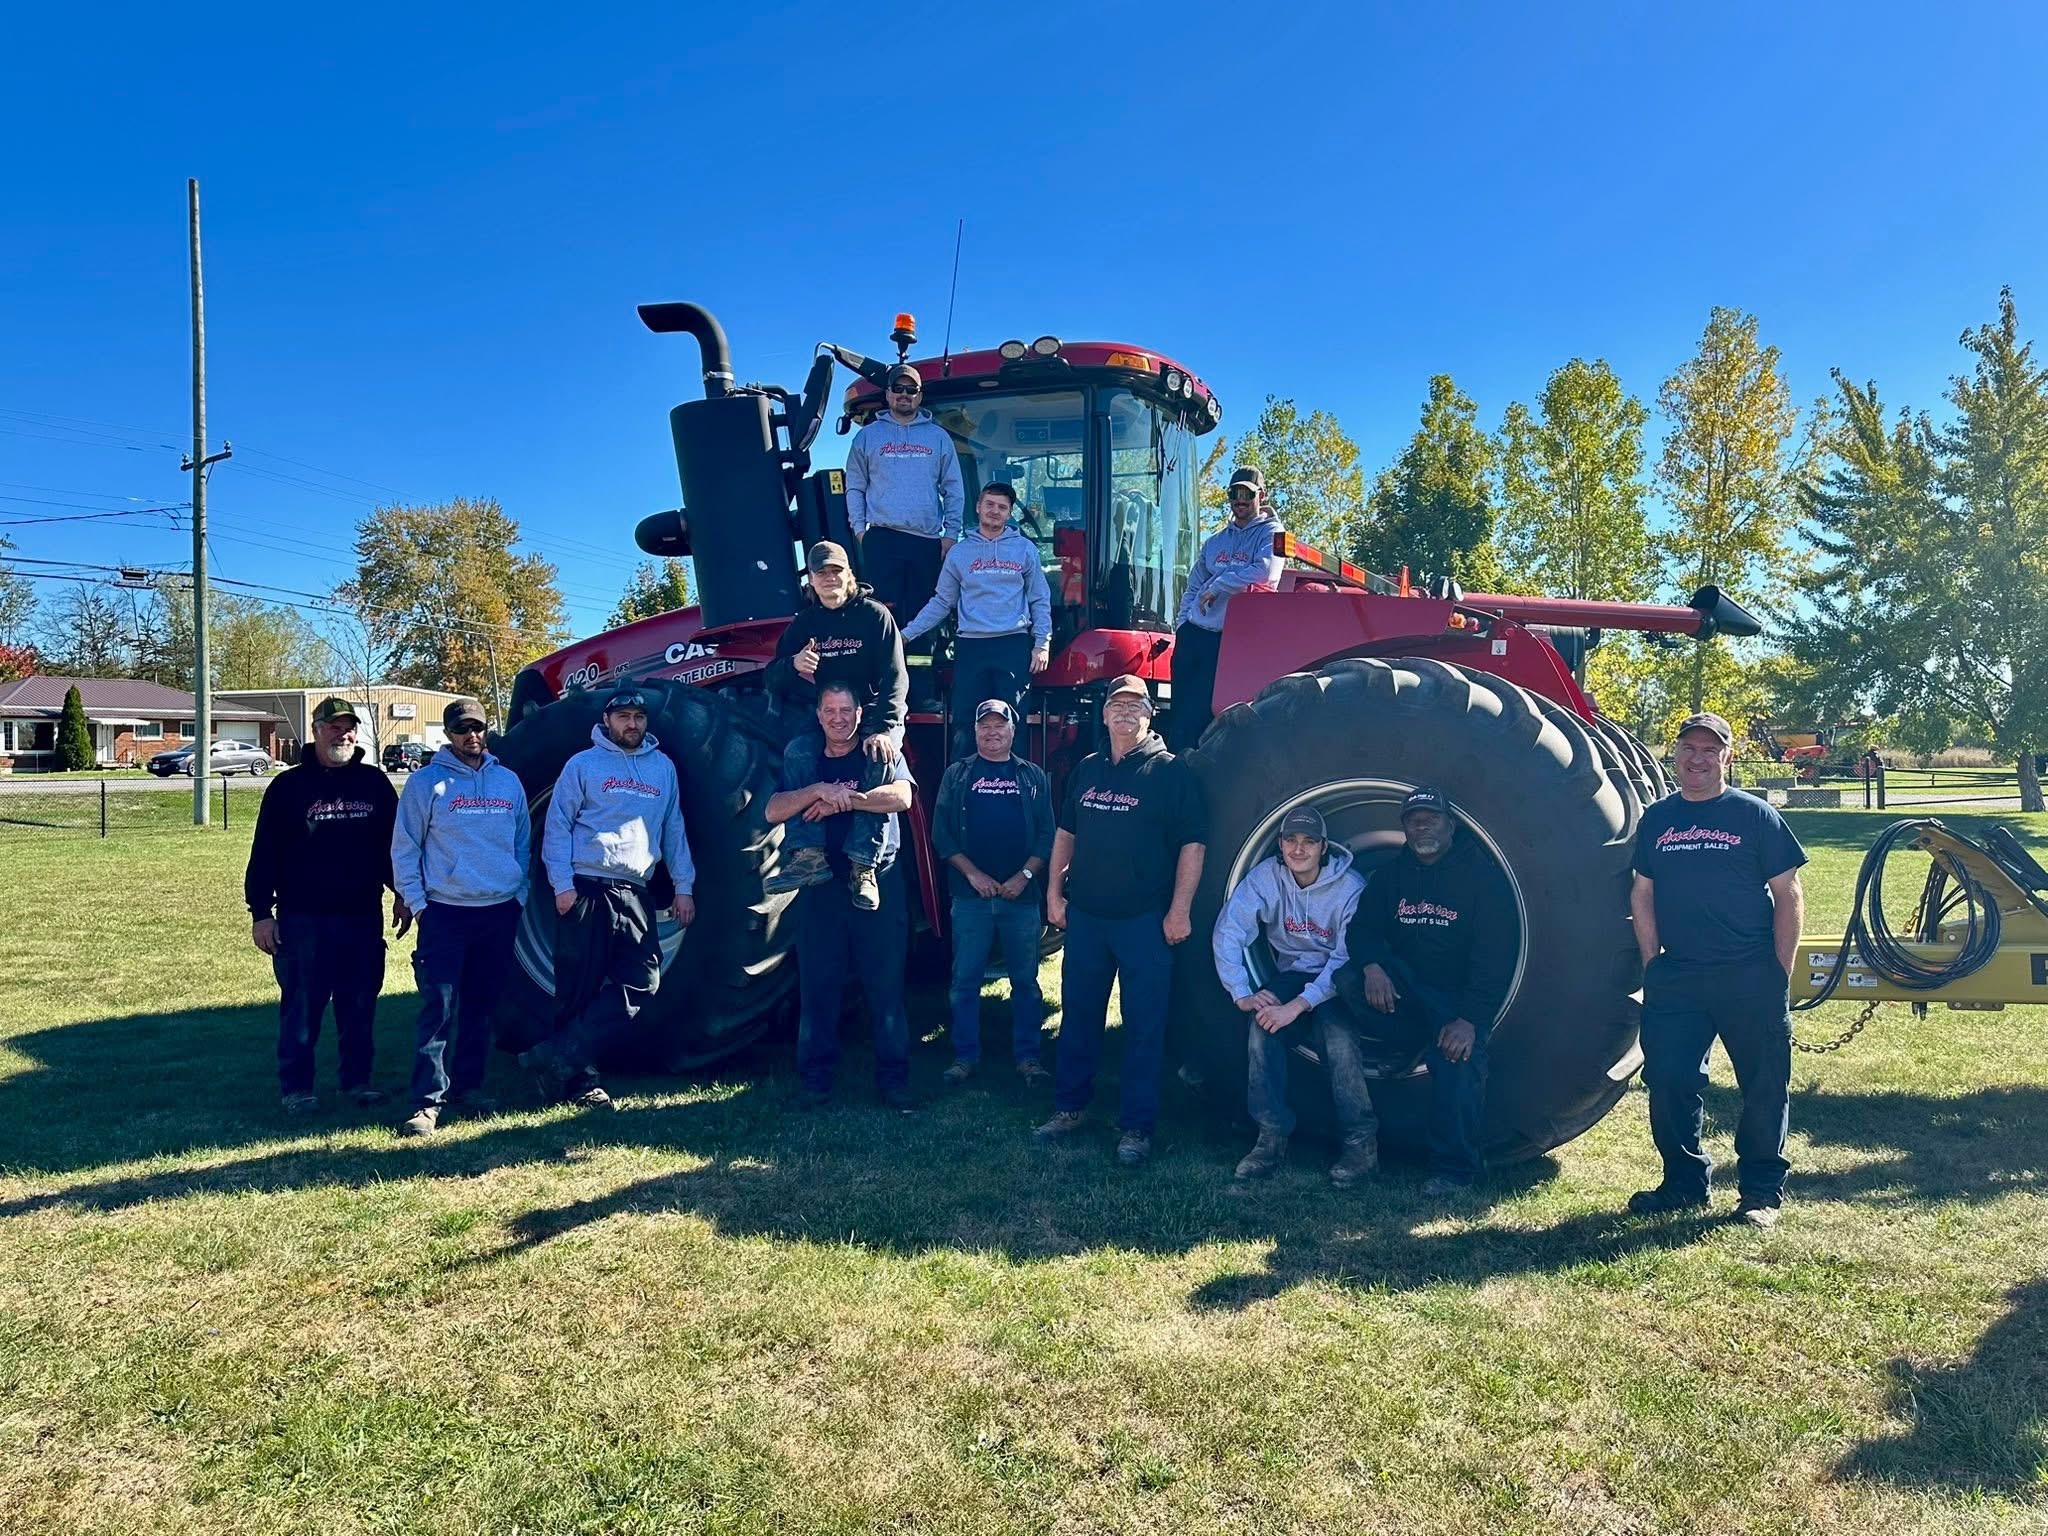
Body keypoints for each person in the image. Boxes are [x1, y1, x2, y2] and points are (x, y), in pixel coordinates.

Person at [1628, 711, 1808, 1230]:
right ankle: (1683, 1184)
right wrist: (1651, 964)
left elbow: (1788, 894)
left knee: (1764, 1083)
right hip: (1678, 976)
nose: (1698, 759)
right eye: (1689, 748)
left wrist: (1778, 970)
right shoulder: (1658, 819)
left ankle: (1759, 1194)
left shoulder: (1754, 815)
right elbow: (1642, 894)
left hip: (1749, 972)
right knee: (1669, 1080)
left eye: (1710, 750)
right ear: (1676, 753)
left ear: (1727, 756)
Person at [1037, 675, 1206, 1166]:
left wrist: (1179, 911)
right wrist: (1053, 891)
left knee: (1143, 1028)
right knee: (1079, 1017)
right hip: (1088, 917)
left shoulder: (1172, 773)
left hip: (1145, 923)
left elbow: (1193, 846)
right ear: (1105, 714)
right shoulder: (1087, 770)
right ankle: (1071, 1108)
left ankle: (1136, 1127)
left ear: (1151, 715)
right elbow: (1066, 833)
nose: (1126, 712)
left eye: (1136, 706)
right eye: (1118, 704)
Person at [1337, 787, 1515, 1197]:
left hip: (1459, 998)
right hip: (1408, 990)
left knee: (1458, 1062)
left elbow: (1495, 957)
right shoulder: (1392, 876)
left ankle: (1455, 1170)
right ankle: (1408, 1043)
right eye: (1413, 820)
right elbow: (1362, 930)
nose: (1422, 826)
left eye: (1431, 818)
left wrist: (1470, 1020)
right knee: (1346, 980)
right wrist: (1371, 966)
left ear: (1450, 824)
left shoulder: (1481, 879)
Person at [523, 687, 694, 1111]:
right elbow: (558, 826)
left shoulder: (662, 769)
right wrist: (562, 886)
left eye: (638, 716)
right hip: (587, 888)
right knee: (577, 988)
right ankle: (579, 1083)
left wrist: (683, 886)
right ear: (606, 721)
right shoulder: (583, 765)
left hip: (634, 890)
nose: (631, 724)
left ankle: (554, 1055)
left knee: (643, 980)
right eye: (623, 717)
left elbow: (673, 829)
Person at [244, 695, 407, 1114]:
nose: (343, 733)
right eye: (334, 726)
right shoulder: (288, 787)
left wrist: (403, 893)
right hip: (304, 919)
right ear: (315, 730)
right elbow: (265, 853)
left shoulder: (374, 784)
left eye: (349, 726)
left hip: (360, 917)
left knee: (359, 1007)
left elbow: (393, 849)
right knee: (302, 1008)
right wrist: (261, 913)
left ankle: (357, 1082)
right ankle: (297, 1088)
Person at [765, 682, 918, 1111]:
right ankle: (815, 1081)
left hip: (875, 882)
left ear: (858, 713)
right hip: (820, 885)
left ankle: (894, 1081)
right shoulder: (804, 756)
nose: (838, 718)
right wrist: (817, 791)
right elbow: (773, 809)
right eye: (829, 710)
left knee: (885, 985)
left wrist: (844, 801)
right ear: (818, 714)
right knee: (818, 986)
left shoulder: (879, 751)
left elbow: (903, 797)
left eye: (845, 710)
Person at [388, 697, 530, 1138]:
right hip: (446, 913)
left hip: (499, 911)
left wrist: (518, 891)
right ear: (447, 734)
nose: (472, 736)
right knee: (439, 1009)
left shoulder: (508, 782)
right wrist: (418, 902)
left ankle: (470, 1087)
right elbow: (405, 848)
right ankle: (427, 1102)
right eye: (462, 729)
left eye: (478, 728)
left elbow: (523, 840)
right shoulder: (426, 784)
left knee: (482, 1007)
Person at [1211, 806, 1373, 1184]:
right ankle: (1271, 1136)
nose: (1298, 850)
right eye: (1290, 841)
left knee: (1339, 1038)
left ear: (1323, 847)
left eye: (1308, 842)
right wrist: (1241, 992)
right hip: (1292, 974)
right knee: (1262, 1024)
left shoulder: (1350, 888)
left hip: (1337, 978)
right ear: (1280, 845)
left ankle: (1360, 1144)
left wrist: (1297, 1007)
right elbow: (1229, 930)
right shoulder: (1266, 878)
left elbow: (1345, 960)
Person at [762, 540, 908, 911]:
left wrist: (882, 728)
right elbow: (772, 678)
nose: (829, 578)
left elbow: (896, 678)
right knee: (797, 751)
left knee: (879, 755)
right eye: (821, 572)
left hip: (871, 715)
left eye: (836, 571)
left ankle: (864, 865)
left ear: (849, 574)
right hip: (828, 717)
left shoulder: (875, 616)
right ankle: (807, 854)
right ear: (811, 580)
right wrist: (793, 664)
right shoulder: (805, 624)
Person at [931, 699, 1055, 1086]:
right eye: (985, 725)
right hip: (972, 898)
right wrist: (973, 876)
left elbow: (1049, 835)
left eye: (1000, 725)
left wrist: (1024, 876)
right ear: (976, 731)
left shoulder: (1033, 776)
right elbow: (941, 835)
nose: (992, 731)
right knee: (964, 981)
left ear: (1013, 731)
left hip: (1021, 898)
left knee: (1026, 982)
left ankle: (1028, 1057)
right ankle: (965, 1057)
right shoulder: (957, 774)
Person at [899, 482, 1053, 758]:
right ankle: (963, 790)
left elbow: (1039, 599)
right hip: (971, 646)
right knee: (966, 723)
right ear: (979, 507)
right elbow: (942, 602)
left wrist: (1042, 643)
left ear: (1008, 514)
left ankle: (1013, 788)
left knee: (1011, 720)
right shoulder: (959, 553)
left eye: (1002, 507)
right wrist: (906, 635)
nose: (995, 511)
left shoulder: (1025, 550)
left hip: (1013, 644)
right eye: (990, 504)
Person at [845, 363, 965, 706]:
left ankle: (922, 693)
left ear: (919, 395)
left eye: (911, 389)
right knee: (882, 615)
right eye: (898, 389)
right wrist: (860, 529)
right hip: (883, 539)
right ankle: (881, 692)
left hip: (927, 542)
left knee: (922, 618)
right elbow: (855, 485)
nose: (904, 395)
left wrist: (950, 535)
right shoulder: (868, 437)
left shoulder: (937, 437)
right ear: (887, 395)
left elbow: (953, 488)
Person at [1166, 466, 1284, 752]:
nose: (1240, 500)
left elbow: (1265, 572)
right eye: (1235, 493)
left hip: (1229, 639)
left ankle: (1194, 770)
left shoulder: (1272, 534)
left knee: (1205, 712)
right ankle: (1172, 769)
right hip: (1194, 634)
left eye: (1247, 493)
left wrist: (1218, 586)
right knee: (1179, 711)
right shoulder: (1216, 542)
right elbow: (1194, 585)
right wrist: (1183, 624)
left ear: (1261, 495)